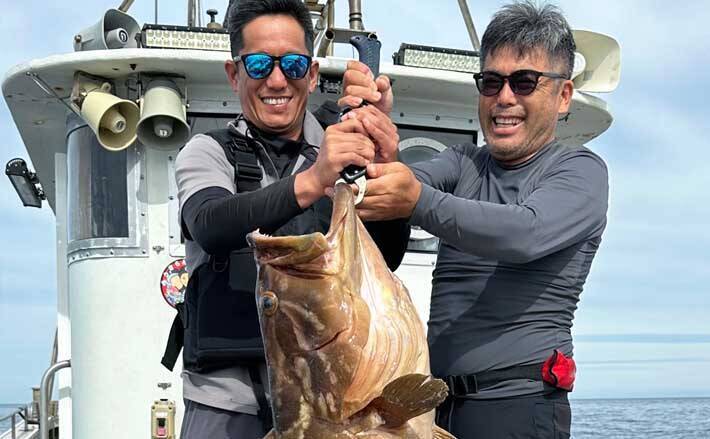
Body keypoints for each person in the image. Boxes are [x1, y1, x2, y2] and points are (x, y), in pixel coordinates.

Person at [345, 1, 609, 437]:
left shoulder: (580, 170)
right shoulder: (463, 161)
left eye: (524, 82)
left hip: (518, 408)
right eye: (491, 82)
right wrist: (379, 144)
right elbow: (394, 185)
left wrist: (415, 199)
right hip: (433, 409)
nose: (504, 97)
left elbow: (525, 232)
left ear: (563, 96)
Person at [165, 0, 408, 437]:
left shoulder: (342, 149)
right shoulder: (206, 151)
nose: (277, 80)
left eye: (293, 65)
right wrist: (316, 179)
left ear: (311, 75)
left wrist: (381, 160)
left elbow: (387, 256)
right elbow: (210, 223)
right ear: (234, 74)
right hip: (228, 405)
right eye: (259, 64)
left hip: (330, 399)